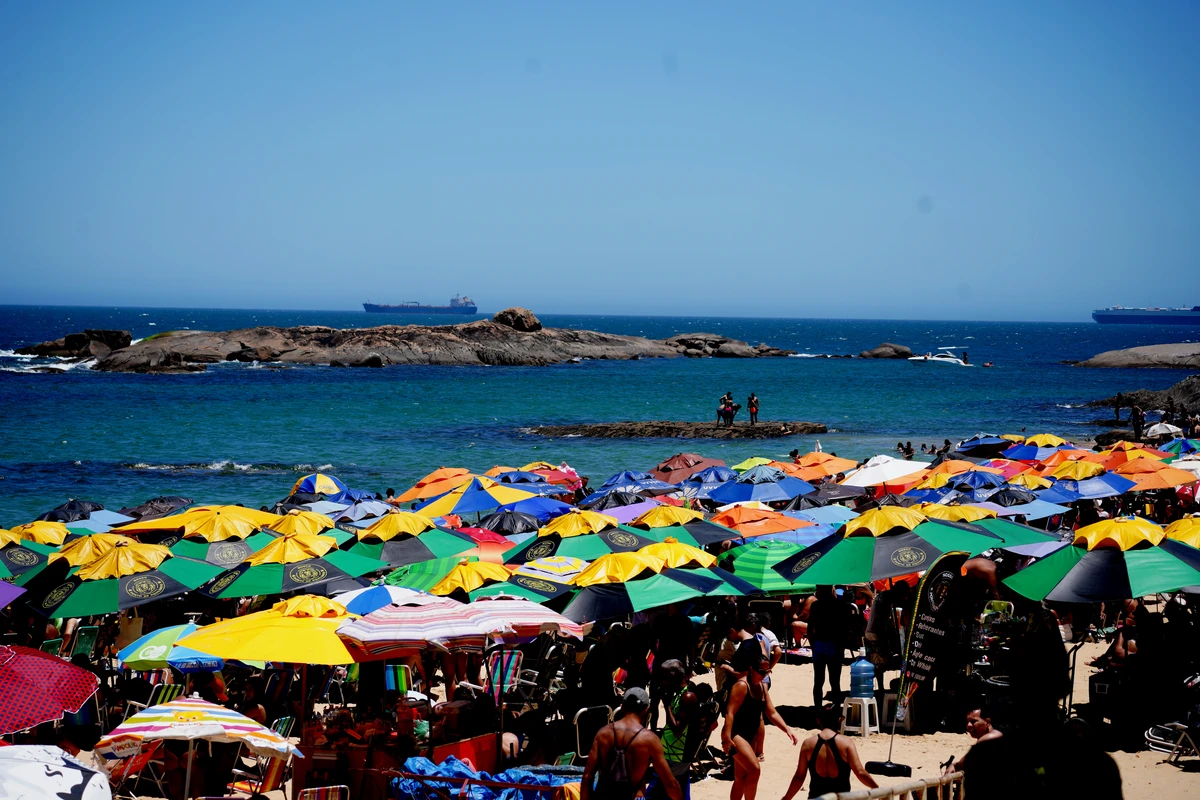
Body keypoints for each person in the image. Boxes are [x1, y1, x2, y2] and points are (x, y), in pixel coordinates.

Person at [582, 687, 682, 800]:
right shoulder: (649, 739)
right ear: (646, 709)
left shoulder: (603, 734)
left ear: (622, 707)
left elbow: (587, 776)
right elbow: (670, 783)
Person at [721, 650, 796, 800]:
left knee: (740, 777)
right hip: (737, 735)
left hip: (752, 734)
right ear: (751, 668)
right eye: (761, 671)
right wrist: (726, 738)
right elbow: (730, 713)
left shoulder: (762, 687)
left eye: (767, 671)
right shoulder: (741, 686)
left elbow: (772, 712)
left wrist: (786, 729)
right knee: (754, 770)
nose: (764, 674)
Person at [781, 704, 878, 800]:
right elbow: (860, 772)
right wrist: (877, 790)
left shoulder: (808, 744)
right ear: (840, 720)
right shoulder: (846, 743)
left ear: (818, 720)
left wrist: (786, 798)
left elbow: (799, 777)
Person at [650, 660, 698, 800]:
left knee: (653, 793)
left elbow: (677, 728)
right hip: (671, 752)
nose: (661, 682)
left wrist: (666, 705)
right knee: (679, 792)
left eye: (663, 678)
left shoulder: (688, 697)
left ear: (672, 678)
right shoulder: (676, 693)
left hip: (677, 755)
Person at [807, 585, 853, 707]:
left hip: (820, 645)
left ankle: (818, 708)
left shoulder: (816, 605)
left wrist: (813, 644)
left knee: (818, 681)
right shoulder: (840, 605)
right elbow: (846, 630)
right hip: (835, 645)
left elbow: (810, 628)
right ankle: (836, 707)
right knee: (835, 681)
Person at [946, 705, 1003, 772]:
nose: (968, 725)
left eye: (973, 721)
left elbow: (964, 763)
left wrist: (954, 765)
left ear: (987, 722)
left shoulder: (990, 738)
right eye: (967, 722)